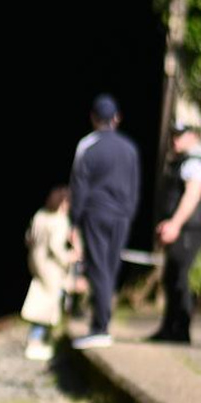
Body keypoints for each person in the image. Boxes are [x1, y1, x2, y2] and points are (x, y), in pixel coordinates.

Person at [69, 94, 141, 349]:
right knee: (110, 267)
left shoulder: (87, 146)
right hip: (122, 214)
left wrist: (73, 221)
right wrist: (129, 214)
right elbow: (134, 187)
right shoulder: (130, 148)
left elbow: (79, 187)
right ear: (117, 118)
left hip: (96, 213)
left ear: (93, 118)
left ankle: (100, 327)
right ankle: (101, 322)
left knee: (97, 267)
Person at [150, 117, 201, 344]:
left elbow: (192, 195)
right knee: (170, 277)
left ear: (193, 136)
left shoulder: (195, 162)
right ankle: (168, 327)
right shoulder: (181, 161)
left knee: (179, 277)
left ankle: (181, 330)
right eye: (173, 135)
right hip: (178, 227)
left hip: (187, 229)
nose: (175, 140)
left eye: (180, 135)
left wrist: (175, 223)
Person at [21, 185, 75, 363]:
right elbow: (55, 246)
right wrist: (69, 257)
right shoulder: (60, 220)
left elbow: (29, 236)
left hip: (36, 262)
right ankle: (37, 341)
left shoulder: (40, 215)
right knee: (48, 303)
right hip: (51, 267)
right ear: (63, 202)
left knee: (39, 298)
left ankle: (38, 339)